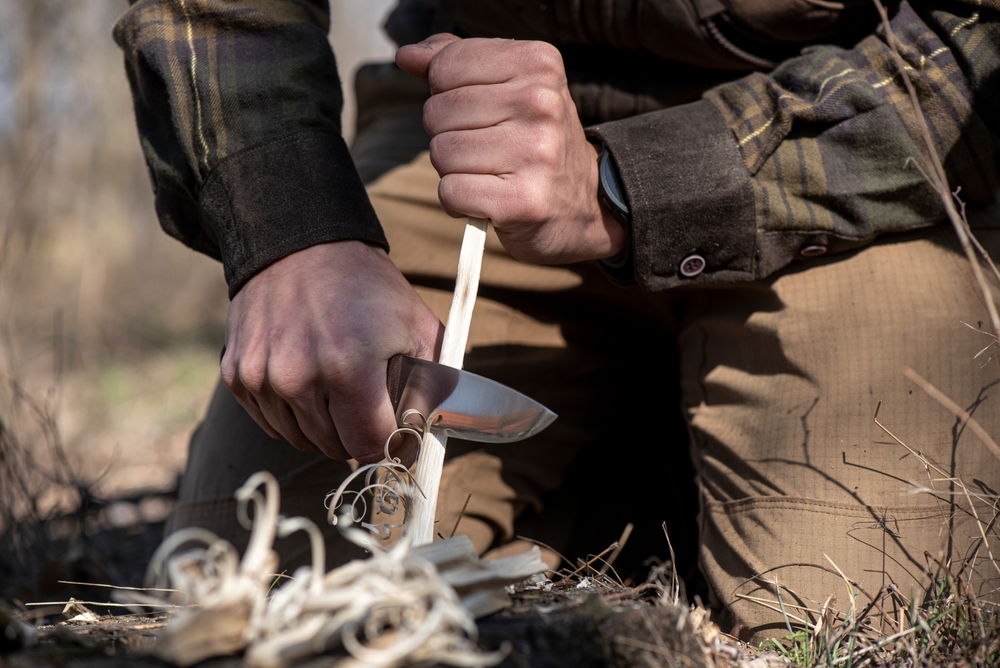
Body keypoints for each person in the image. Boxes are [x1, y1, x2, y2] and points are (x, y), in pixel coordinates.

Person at [114, 0, 1000, 639]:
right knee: (260, 596)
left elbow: (979, 37)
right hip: (465, 133)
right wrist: (289, 224)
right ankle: (614, 499)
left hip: (843, 160)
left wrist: (629, 185)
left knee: (856, 612)